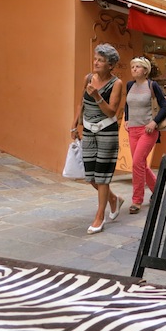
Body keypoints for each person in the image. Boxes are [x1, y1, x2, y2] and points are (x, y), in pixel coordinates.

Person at [70, 43, 124, 235]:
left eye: (101, 60)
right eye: (96, 59)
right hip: (89, 131)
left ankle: (99, 216)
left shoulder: (116, 83)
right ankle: (113, 199)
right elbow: (81, 103)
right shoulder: (88, 78)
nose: (97, 63)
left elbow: (112, 111)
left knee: (102, 176)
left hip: (106, 132)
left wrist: (98, 96)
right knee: (91, 176)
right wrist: (74, 125)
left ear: (111, 65)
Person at [124, 57, 166, 214]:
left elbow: (165, 106)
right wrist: (127, 119)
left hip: (148, 130)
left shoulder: (152, 85)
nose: (134, 69)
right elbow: (127, 104)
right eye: (133, 67)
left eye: (138, 67)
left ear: (145, 70)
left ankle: (137, 200)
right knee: (141, 163)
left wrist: (154, 122)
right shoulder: (129, 85)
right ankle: (158, 189)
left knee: (137, 163)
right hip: (133, 130)